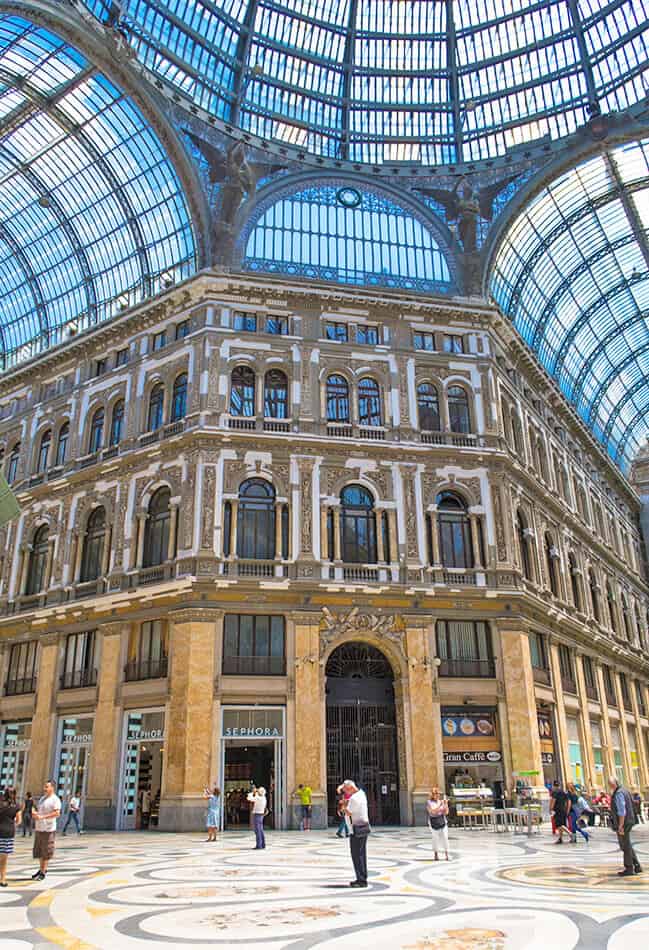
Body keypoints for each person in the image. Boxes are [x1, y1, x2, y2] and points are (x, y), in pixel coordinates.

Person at [609, 777, 643, 876]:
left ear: (614, 784)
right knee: (626, 843)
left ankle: (629, 868)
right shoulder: (625, 790)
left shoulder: (619, 793)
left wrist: (620, 826)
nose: (609, 786)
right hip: (629, 820)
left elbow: (621, 811)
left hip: (624, 822)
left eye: (610, 784)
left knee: (625, 845)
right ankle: (636, 865)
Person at [343, 779, 370, 888]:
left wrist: (343, 808)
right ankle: (362, 877)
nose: (345, 793)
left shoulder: (354, 798)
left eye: (346, 791)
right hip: (364, 827)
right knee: (361, 854)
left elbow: (349, 812)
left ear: (350, 788)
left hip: (356, 829)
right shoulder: (361, 794)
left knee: (356, 855)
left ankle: (361, 880)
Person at [32, 780, 61, 881]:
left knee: (46, 851)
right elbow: (39, 810)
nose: (45, 788)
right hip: (39, 827)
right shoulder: (42, 798)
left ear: (52, 788)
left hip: (48, 829)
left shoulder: (55, 799)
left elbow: (57, 813)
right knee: (40, 850)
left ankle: (43, 872)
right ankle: (41, 869)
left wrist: (43, 817)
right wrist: (35, 814)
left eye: (47, 787)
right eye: (44, 786)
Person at [0, 788, 22, 887]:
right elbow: (19, 821)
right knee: (4, 859)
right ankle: (3, 880)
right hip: (8, 833)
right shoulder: (17, 806)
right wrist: (12, 824)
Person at [426, 787, 450, 861]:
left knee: (445, 837)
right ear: (432, 795)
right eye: (435, 794)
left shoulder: (441, 801)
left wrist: (446, 804)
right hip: (434, 822)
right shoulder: (429, 802)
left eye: (438, 794)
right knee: (435, 838)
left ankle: (447, 854)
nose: (437, 795)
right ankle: (436, 854)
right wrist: (440, 806)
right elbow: (432, 812)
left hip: (442, 820)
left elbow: (446, 812)